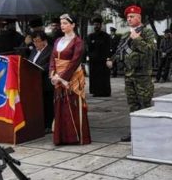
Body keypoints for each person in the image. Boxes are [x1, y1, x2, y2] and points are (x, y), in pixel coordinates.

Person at [50, 14, 91, 145]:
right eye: (61, 23)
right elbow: (52, 58)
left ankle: (76, 137)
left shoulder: (78, 41)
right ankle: (61, 137)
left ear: (73, 25)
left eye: (66, 23)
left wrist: (61, 77)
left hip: (72, 77)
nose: (62, 26)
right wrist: (53, 74)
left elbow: (75, 61)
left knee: (72, 104)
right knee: (60, 105)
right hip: (58, 77)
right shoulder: (57, 41)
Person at [118, 4, 156, 141]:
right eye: (128, 17)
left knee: (145, 104)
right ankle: (134, 132)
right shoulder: (126, 35)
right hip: (129, 75)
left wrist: (137, 39)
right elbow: (120, 53)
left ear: (139, 18)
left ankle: (148, 133)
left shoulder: (147, 33)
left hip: (143, 76)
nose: (129, 19)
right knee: (133, 104)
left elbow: (151, 50)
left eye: (132, 16)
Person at [26, 30, 54, 133]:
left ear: (44, 41)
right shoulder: (34, 51)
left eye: (38, 41)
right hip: (34, 83)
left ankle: (49, 125)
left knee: (48, 105)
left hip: (46, 82)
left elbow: (50, 65)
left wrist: (37, 69)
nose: (35, 44)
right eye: (34, 41)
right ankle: (40, 124)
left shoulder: (50, 50)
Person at [86, 19, 113, 96]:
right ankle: (95, 92)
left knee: (104, 77)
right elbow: (88, 48)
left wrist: (108, 58)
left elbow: (108, 48)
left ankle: (105, 92)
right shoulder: (90, 36)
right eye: (94, 24)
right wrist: (90, 56)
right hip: (94, 61)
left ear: (100, 25)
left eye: (97, 24)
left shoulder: (106, 36)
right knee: (94, 77)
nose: (96, 26)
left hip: (103, 61)